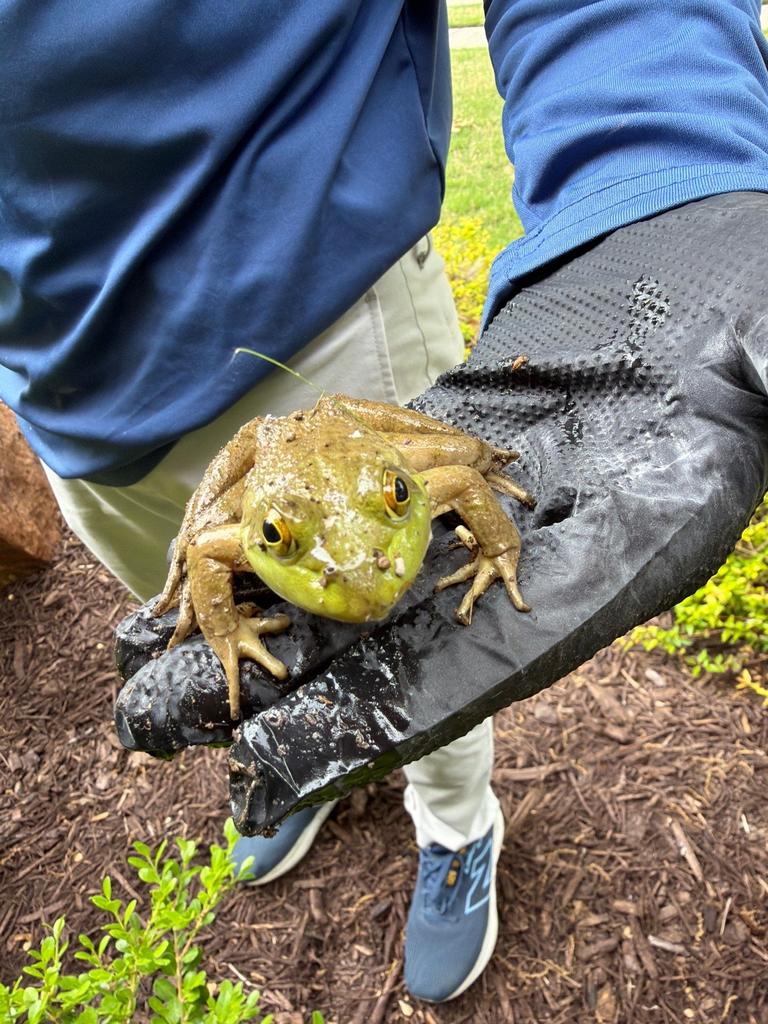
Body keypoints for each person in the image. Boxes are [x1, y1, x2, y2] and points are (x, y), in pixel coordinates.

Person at [3, 0, 768, 1006]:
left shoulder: (405, 491)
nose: (350, 574)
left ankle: (457, 826)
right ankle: (302, 772)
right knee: (235, 657)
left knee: (430, 650)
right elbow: (213, 551)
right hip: (67, 395)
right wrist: (226, 606)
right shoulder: (233, 529)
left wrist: (662, 179)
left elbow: (452, 476)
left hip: (328, 291)